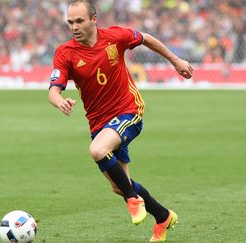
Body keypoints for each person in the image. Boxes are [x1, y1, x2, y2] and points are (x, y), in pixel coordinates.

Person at [48, 0, 193, 241]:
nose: (74, 27)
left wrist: (175, 61)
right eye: (70, 22)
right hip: (100, 124)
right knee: (119, 185)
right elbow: (53, 90)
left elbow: (145, 38)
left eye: (79, 21)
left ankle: (133, 199)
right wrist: (59, 100)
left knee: (97, 150)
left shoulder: (115, 36)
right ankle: (163, 216)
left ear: (94, 19)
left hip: (129, 111)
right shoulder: (65, 53)